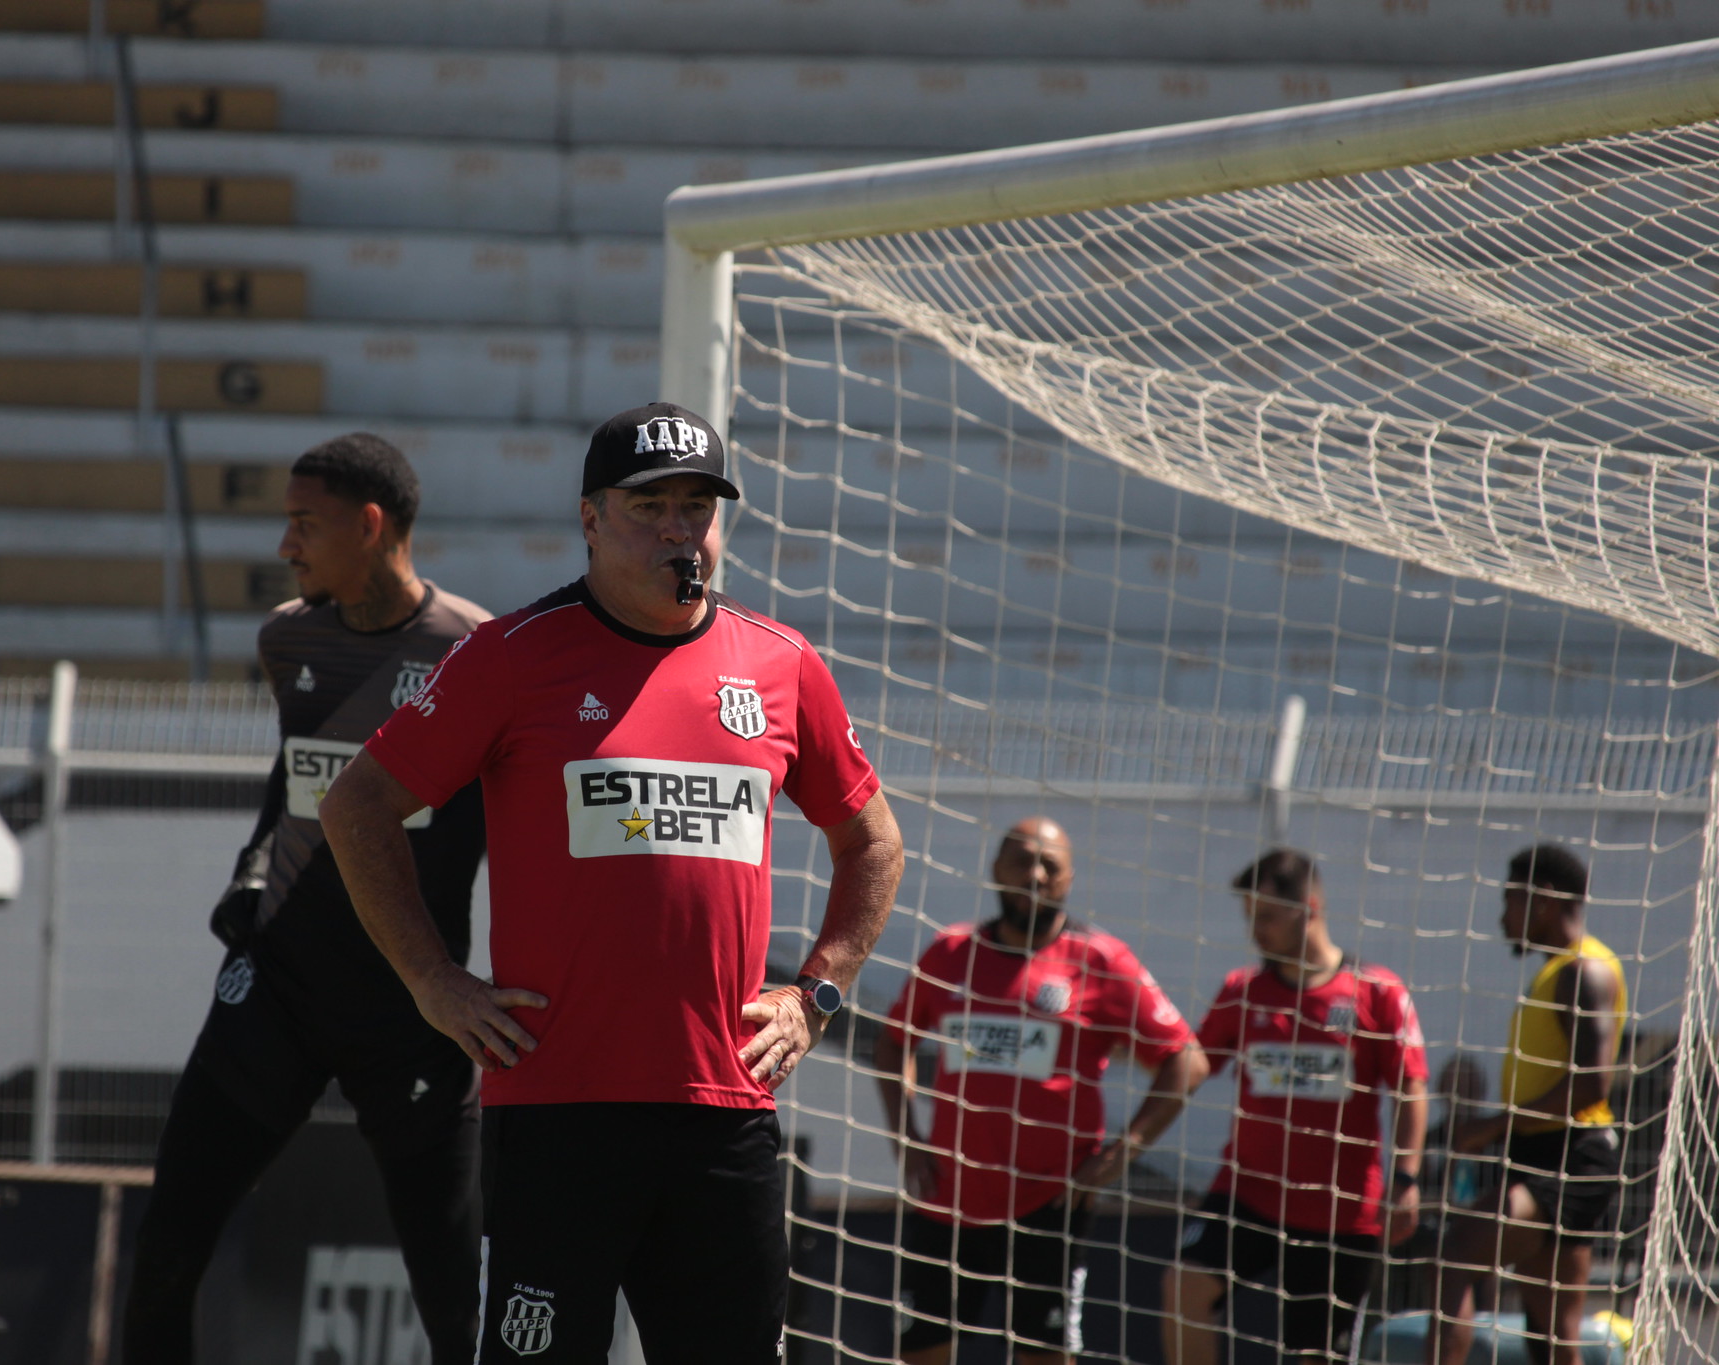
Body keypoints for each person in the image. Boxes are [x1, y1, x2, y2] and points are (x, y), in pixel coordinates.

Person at [318, 401, 906, 1364]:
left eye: (698, 506)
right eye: (650, 507)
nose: (680, 529)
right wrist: (433, 978)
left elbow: (873, 841)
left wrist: (817, 995)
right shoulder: (511, 657)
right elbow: (358, 806)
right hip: (556, 1115)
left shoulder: (782, 663)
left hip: (725, 1111)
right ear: (591, 519)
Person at [121, 434, 493, 1365]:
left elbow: (511, 824)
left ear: (370, 526)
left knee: (457, 1303)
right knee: (164, 1257)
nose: (286, 547)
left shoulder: (476, 654)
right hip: (278, 986)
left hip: (414, 1007)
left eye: (303, 523)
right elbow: (296, 776)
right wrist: (250, 870)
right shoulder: (288, 639)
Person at [874, 817, 1208, 1365]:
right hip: (949, 1197)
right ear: (996, 869)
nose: (1033, 873)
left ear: (1068, 878)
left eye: (1049, 865)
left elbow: (1185, 1061)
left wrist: (1119, 1157)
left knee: (1044, 1355)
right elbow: (892, 1044)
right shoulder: (950, 952)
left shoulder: (1101, 961)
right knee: (922, 1351)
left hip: (1051, 1203)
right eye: (1020, 859)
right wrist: (906, 1136)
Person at [1164, 849, 1429, 1365]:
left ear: (1308, 908)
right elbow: (1194, 1063)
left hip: (1340, 1211)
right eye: (1249, 918)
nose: (1255, 930)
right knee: (1183, 1292)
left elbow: (1411, 1089)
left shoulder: (1378, 992)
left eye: (1266, 916)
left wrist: (1408, 1179)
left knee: (1315, 1354)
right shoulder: (1244, 991)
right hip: (1247, 1193)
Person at [1428, 844, 1627, 1365]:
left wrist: (1489, 1126)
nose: (1502, 916)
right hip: (1545, 1155)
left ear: (1542, 901)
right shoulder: (1555, 971)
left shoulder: (1585, 971)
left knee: (1456, 1256)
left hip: (1569, 1158)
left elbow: (1591, 1086)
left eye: (1510, 900)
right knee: (1554, 1335)